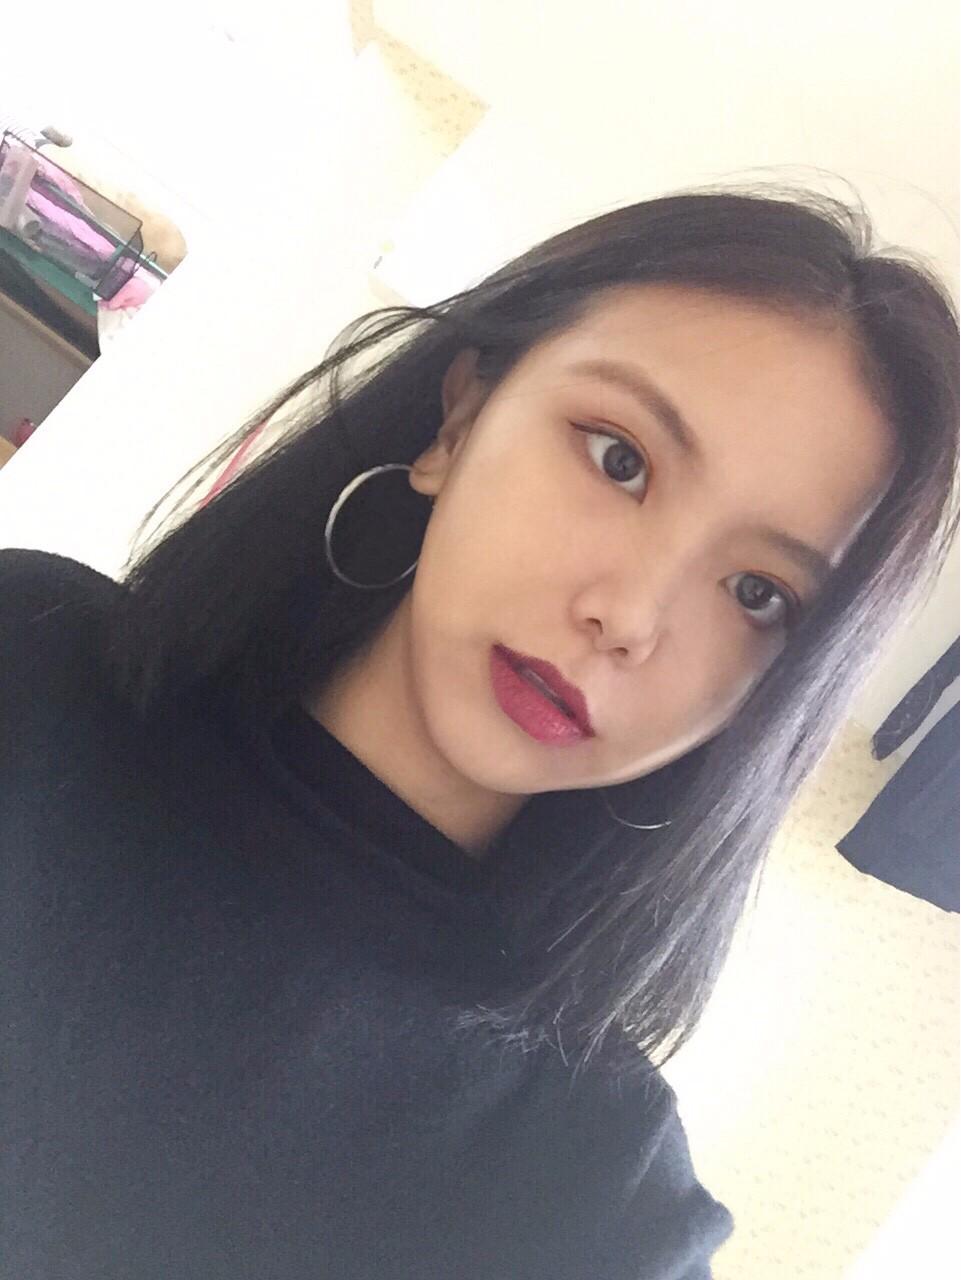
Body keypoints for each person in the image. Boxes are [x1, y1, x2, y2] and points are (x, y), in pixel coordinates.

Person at [2, 181, 957, 1279]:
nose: (628, 616)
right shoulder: (31, 665)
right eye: (619, 459)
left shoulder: (593, 1205)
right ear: (457, 421)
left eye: (756, 594)